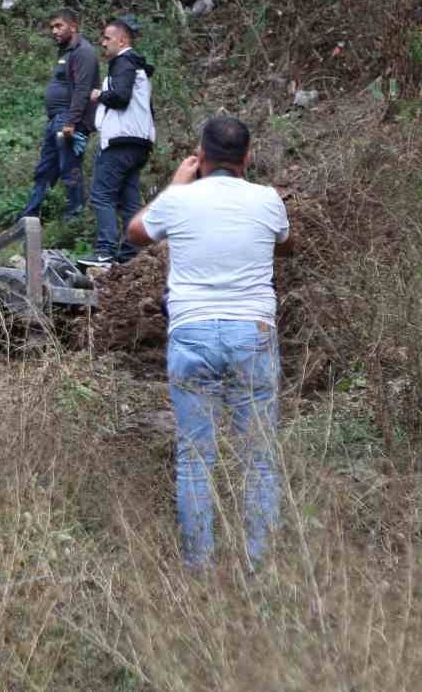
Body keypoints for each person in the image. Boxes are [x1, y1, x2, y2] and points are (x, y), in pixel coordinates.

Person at [125, 115, 295, 570]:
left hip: (192, 333)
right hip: (252, 336)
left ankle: (199, 568)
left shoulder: (181, 200)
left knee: (195, 459)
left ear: (200, 156)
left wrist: (177, 183)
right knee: (259, 459)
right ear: (248, 156)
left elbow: (136, 231)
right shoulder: (268, 200)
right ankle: (259, 567)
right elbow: (283, 239)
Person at [82, 19, 155, 265]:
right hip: (139, 143)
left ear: (122, 40)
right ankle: (130, 254)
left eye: (106, 38)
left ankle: (105, 251)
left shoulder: (123, 62)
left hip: (121, 142)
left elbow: (121, 97)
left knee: (102, 195)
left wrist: (99, 95)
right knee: (130, 200)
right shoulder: (136, 66)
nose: (102, 43)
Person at [20, 8, 98, 220]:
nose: (54, 31)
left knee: (69, 169)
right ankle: (29, 215)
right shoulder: (66, 51)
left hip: (68, 121)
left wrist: (72, 122)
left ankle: (75, 218)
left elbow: (83, 89)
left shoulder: (84, 51)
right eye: (52, 27)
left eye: (59, 26)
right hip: (56, 120)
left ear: (73, 26)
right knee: (45, 169)